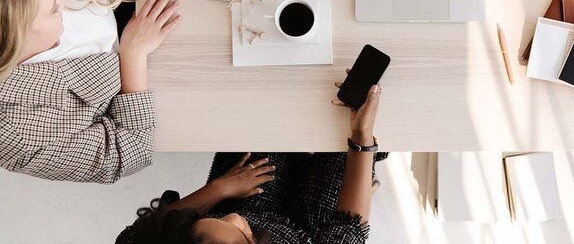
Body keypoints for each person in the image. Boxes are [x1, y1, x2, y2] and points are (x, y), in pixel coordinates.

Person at [0, 0, 214, 182]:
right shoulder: (17, 132)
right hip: (150, 77)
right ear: (15, 43)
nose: (64, 3)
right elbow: (126, 154)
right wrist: (133, 55)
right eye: (53, 9)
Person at [117, 72, 386, 244]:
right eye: (243, 239)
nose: (235, 219)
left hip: (250, 202)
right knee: (354, 136)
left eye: (220, 221)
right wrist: (361, 136)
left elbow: (144, 231)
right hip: (309, 234)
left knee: (261, 105)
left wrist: (219, 189)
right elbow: (349, 226)